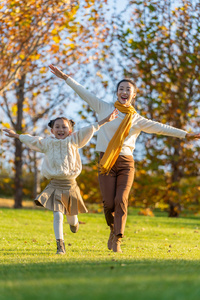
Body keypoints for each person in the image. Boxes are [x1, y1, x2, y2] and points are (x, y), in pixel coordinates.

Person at [49, 64, 200, 253]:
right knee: (108, 204)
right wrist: (65, 77)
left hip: (126, 163)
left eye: (128, 89)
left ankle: (118, 239)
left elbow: (162, 127)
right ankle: (113, 230)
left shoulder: (137, 119)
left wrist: (186, 135)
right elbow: (84, 92)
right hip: (105, 162)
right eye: (121, 89)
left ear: (133, 95)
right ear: (117, 93)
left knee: (121, 199)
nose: (124, 91)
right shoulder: (103, 108)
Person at [3, 109, 118, 254]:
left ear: (70, 130)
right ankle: (60, 245)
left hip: (70, 186)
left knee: (71, 218)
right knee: (57, 214)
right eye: (57, 127)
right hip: (55, 185)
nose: (61, 129)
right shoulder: (47, 143)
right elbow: (32, 139)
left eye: (64, 127)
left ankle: (75, 223)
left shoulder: (74, 140)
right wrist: (17, 136)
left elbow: (90, 128)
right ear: (52, 130)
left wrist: (105, 120)